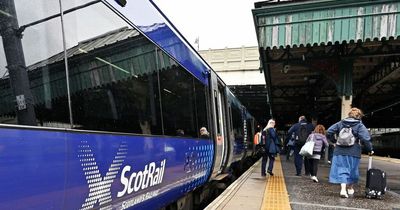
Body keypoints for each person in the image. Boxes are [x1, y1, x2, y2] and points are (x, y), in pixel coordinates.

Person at [326, 107, 373, 198]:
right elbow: (366, 139)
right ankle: (350, 188)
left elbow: (329, 131)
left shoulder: (341, 123)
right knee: (352, 170)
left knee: (342, 169)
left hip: (339, 150)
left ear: (349, 114)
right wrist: (370, 149)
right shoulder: (360, 125)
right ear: (359, 116)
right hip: (354, 151)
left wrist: (334, 141)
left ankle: (343, 189)